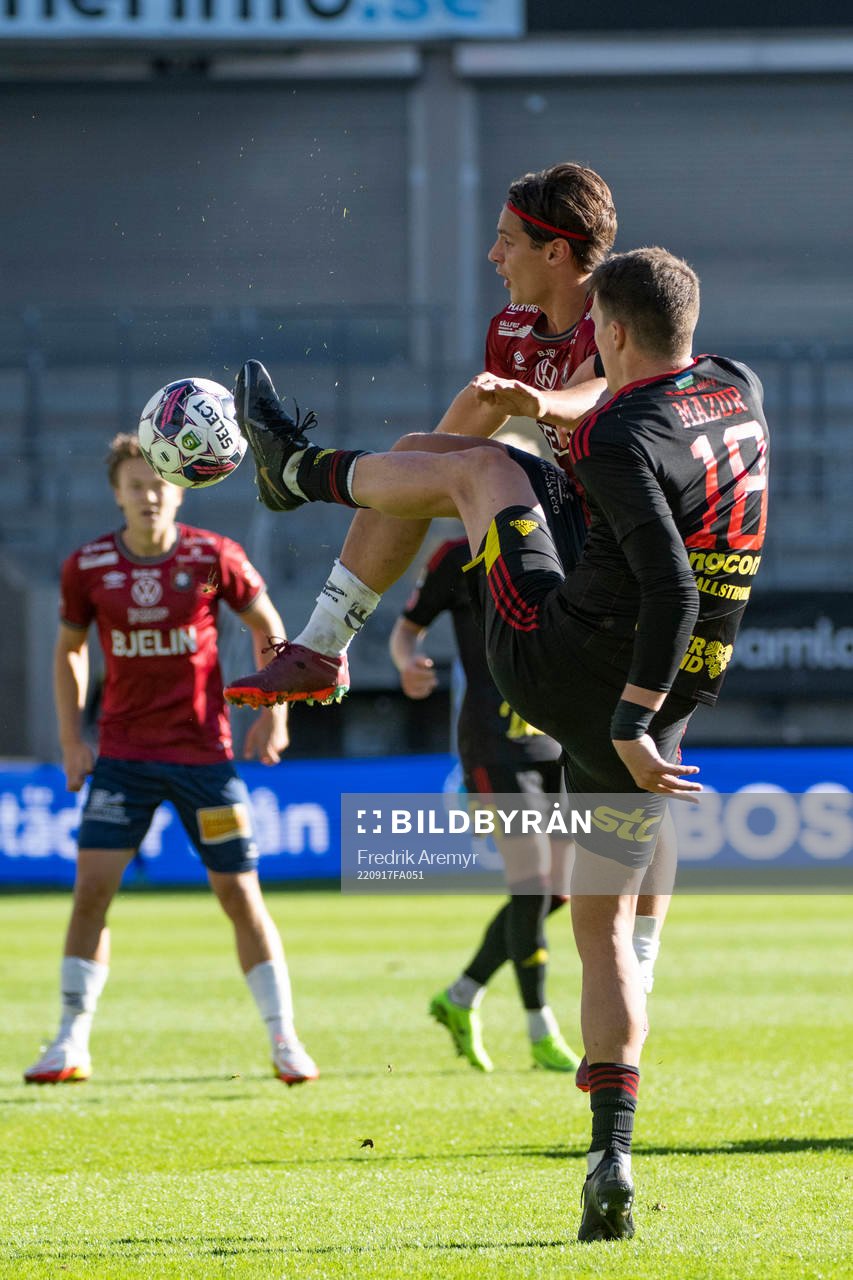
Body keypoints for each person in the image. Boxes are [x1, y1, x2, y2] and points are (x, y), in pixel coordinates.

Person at [222, 247, 769, 1240]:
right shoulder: (736, 389)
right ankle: (612, 1149)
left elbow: (669, 585)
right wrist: (649, 717)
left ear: (607, 328)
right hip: (685, 687)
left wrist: (628, 715)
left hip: (569, 668)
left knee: (476, 466)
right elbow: (685, 574)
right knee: (600, 928)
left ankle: (298, 471)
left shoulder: (615, 433)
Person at [224, 161, 673, 1069]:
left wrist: (536, 408)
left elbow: (617, 391)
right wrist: (412, 471)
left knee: (617, 826)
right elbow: (470, 418)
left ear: (558, 250)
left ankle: (299, 477)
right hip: (569, 527)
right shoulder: (515, 323)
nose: (492, 256)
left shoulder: (614, 312)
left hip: (624, 545)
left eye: (508, 241)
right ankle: (319, 645)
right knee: (430, 456)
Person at [24, 434, 318, 1087]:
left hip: (203, 757)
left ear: (180, 487)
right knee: (90, 894)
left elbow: (267, 626)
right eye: (135, 485)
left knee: (240, 895)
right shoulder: (90, 566)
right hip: (124, 757)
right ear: (117, 493)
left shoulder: (212, 557)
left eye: (158, 484)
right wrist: (73, 739)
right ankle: (70, 1040)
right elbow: (69, 651)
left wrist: (277, 709)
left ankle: (284, 1039)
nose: (148, 495)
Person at [391, 529, 579, 1074]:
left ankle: (460, 995)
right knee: (531, 884)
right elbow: (406, 631)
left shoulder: (565, 543)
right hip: (493, 743)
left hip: (558, 738)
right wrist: (407, 662)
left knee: (557, 894)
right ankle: (540, 1026)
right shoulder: (460, 556)